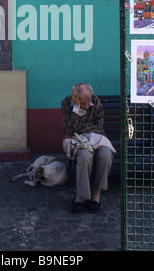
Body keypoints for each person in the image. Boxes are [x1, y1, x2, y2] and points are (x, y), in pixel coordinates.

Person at [61, 83, 115, 214]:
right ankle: (81, 195)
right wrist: (76, 110)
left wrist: (80, 130)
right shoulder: (66, 103)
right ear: (76, 97)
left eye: (88, 102)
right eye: (83, 104)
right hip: (79, 142)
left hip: (98, 139)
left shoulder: (95, 101)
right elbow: (68, 130)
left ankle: (96, 193)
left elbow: (100, 126)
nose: (87, 106)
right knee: (84, 156)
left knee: (106, 155)